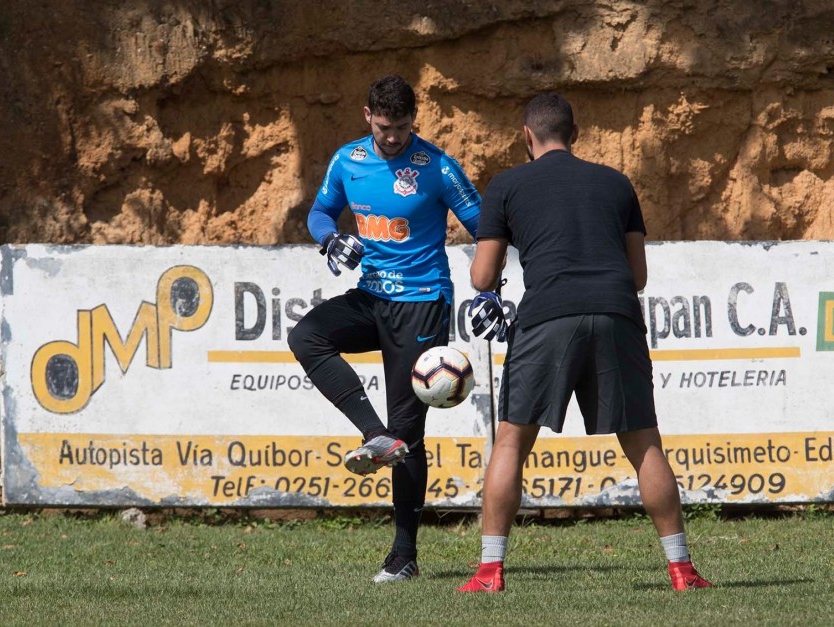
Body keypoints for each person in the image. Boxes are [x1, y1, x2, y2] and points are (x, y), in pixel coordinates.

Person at [458, 92, 712, 593]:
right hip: (617, 311)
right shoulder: (616, 183)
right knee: (644, 444)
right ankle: (682, 570)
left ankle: (490, 572)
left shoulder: (506, 185)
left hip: (547, 315)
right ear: (575, 135)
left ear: (526, 136)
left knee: (511, 441)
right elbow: (637, 275)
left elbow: (483, 276)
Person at [288, 75, 481, 584]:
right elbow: (320, 212)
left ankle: (404, 556)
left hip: (422, 303)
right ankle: (373, 434)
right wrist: (330, 240)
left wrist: (490, 288)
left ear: (414, 120)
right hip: (372, 295)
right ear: (366, 115)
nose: (392, 137)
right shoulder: (347, 160)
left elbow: (486, 225)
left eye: (401, 127)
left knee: (410, 434)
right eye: (383, 125)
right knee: (306, 336)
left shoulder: (437, 166)